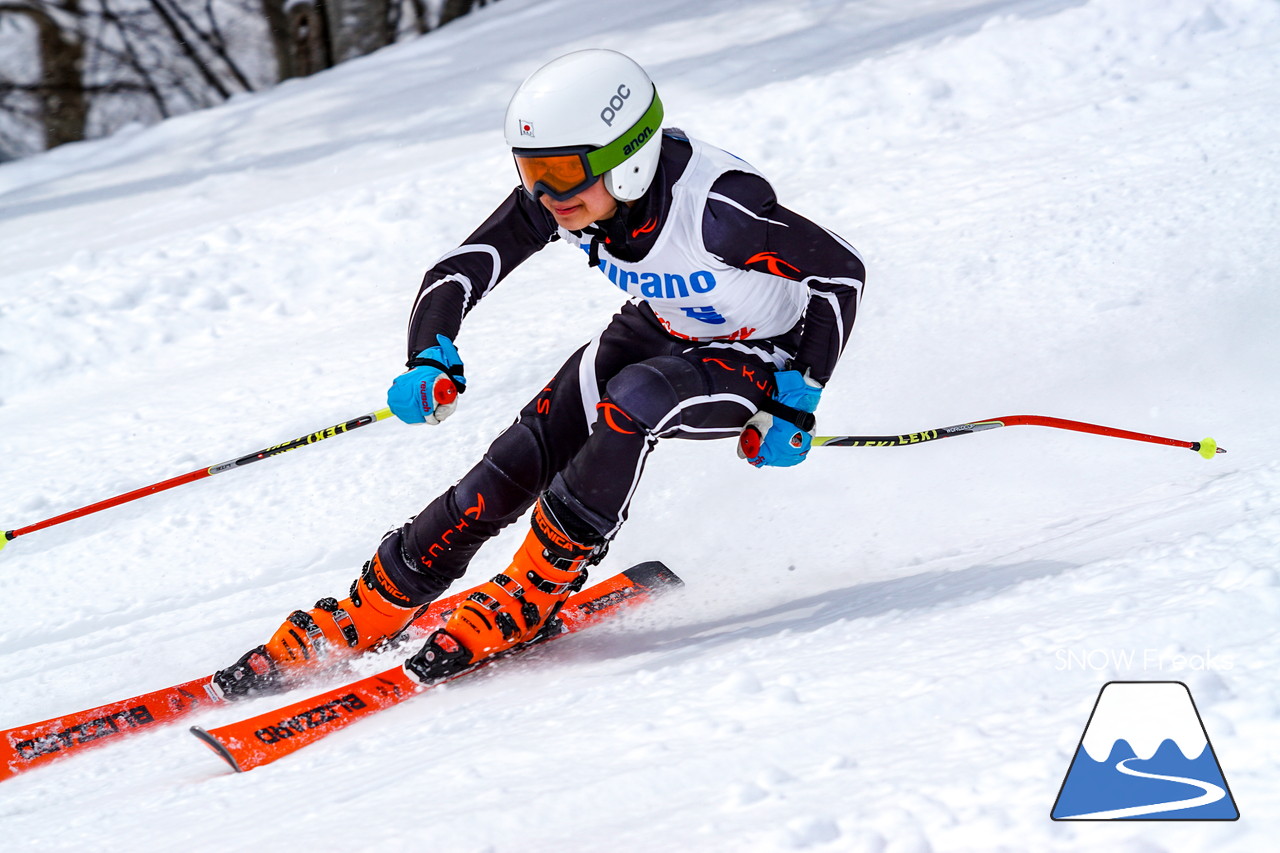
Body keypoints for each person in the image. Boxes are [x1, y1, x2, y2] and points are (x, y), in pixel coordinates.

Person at [212, 49, 866, 696]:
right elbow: (457, 270)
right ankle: (375, 605)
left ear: (627, 159)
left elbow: (841, 273)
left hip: (760, 354)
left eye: (560, 171)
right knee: (524, 450)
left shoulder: (718, 210)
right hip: (661, 326)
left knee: (632, 397)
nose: (545, 193)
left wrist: (798, 396)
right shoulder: (572, 198)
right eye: (530, 170)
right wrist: (430, 353)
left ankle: (537, 585)